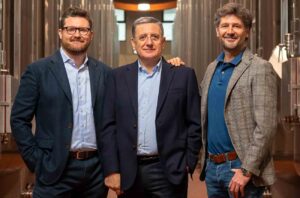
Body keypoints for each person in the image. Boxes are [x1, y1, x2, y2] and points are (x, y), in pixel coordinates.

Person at [10, 7, 110, 197]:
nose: (77, 34)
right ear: (60, 32)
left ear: (91, 35)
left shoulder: (104, 73)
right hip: (53, 169)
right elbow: (18, 119)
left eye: (83, 30)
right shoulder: (38, 71)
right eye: (71, 29)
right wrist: (36, 160)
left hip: (96, 172)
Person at [100, 16, 201, 198]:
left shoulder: (183, 75)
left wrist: (188, 161)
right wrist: (112, 169)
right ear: (133, 43)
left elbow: (194, 123)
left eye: (154, 37)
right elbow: (108, 127)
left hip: (169, 171)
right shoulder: (116, 78)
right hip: (129, 171)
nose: (149, 42)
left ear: (163, 42)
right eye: (142, 37)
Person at [199, 2, 278, 198]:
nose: (230, 31)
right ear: (217, 31)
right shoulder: (211, 69)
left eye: (237, 26)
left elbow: (266, 127)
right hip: (212, 168)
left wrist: (246, 170)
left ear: (247, 32)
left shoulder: (260, 68)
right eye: (225, 26)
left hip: (240, 170)